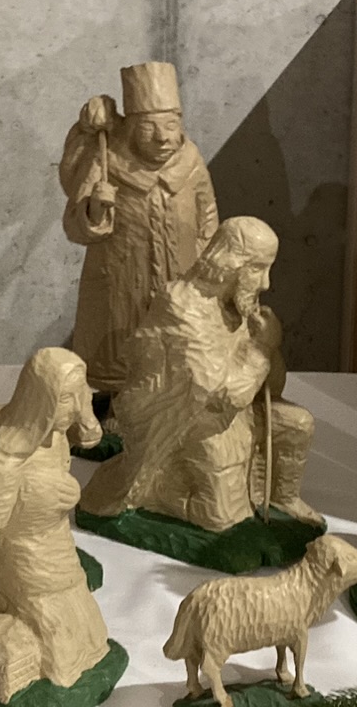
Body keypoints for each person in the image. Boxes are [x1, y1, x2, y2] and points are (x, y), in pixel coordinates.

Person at [79, 217, 319, 532]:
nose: (265, 283)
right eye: (258, 268)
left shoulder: (237, 305)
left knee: (298, 424)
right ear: (231, 264)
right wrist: (262, 348)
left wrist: (269, 348)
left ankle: (282, 499)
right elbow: (221, 394)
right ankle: (167, 490)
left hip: (229, 416)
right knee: (222, 518)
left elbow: (271, 389)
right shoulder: (182, 307)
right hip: (183, 424)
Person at [0, 348, 111, 702]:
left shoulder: (57, 440)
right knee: (59, 648)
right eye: (65, 399)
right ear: (39, 401)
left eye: (79, 396)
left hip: (59, 554)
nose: (74, 409)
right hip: (19, 567)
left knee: (90, 630)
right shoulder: (3, 462)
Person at [60, 61, 219, 394]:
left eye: (171, 125)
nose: (162, 138)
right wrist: (95, 208)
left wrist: (202, 271)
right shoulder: (108, 161)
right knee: (120, 360)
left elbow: (208, 218)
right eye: (149, 127)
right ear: (131, 128)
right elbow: (74, 225)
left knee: (179, 361)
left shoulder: (191, 162)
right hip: (119, 285)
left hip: (180, 284)